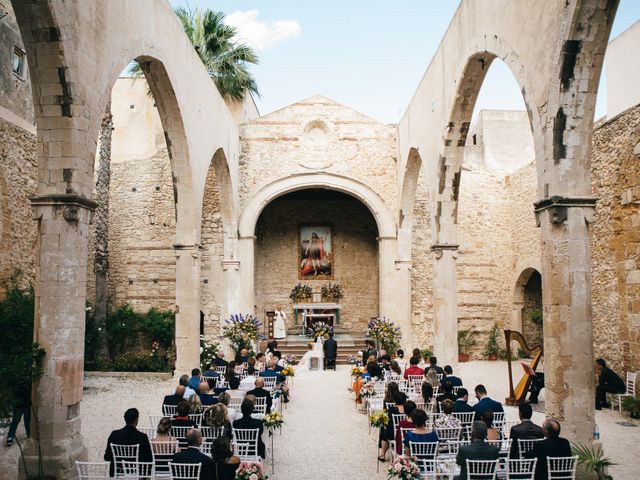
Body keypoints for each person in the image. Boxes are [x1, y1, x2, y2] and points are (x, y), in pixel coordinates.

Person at [104, 408, 153, 477]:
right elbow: (149, 459)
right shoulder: (142, 437)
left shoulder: (114, 435)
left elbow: (107, 457)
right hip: (137, 473)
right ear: (136, 420)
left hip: (119, 472)